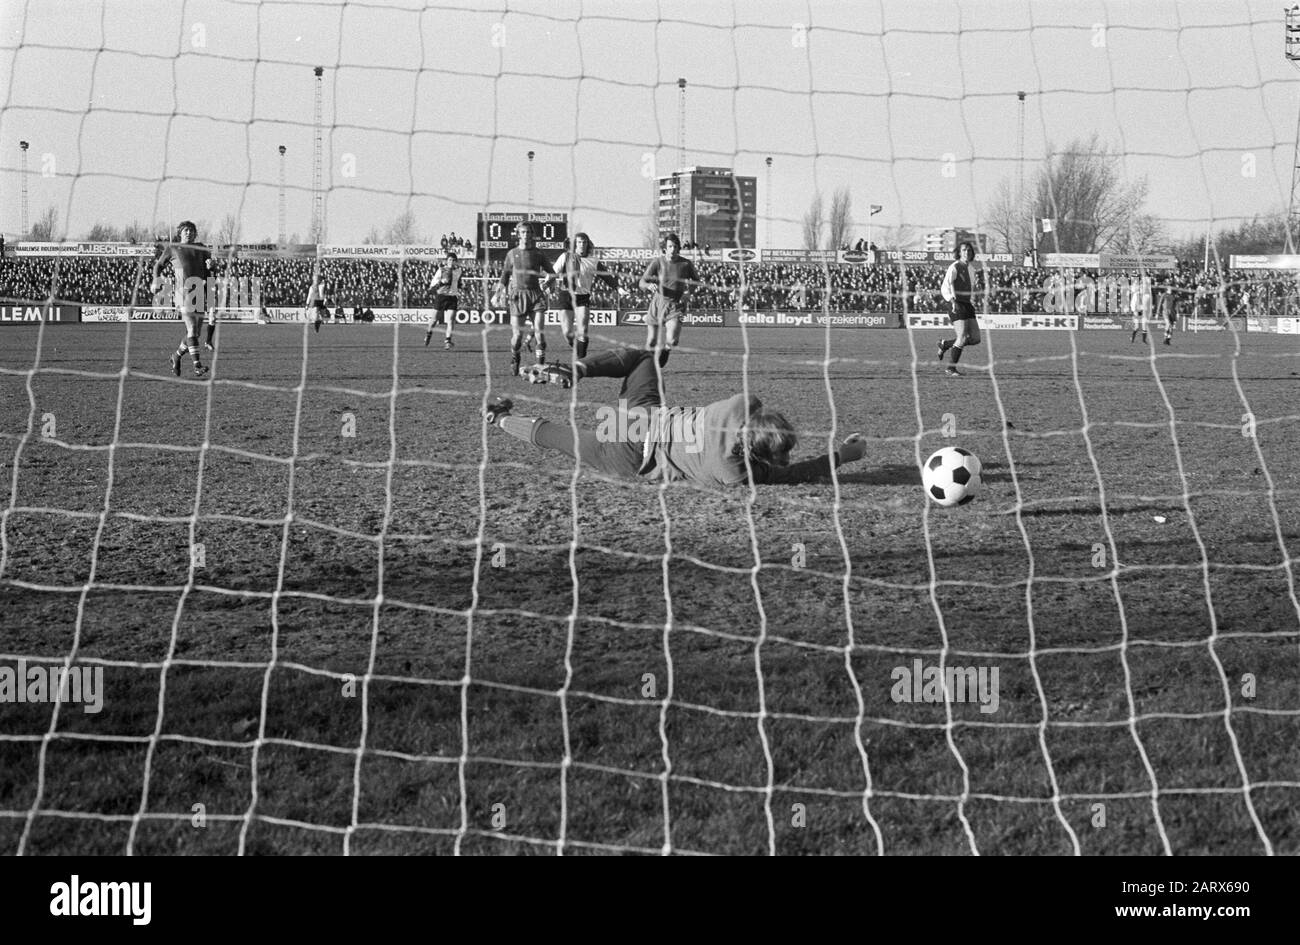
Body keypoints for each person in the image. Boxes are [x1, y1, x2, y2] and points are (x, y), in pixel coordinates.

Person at [491, 347, 868, 487]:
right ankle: (499, 421)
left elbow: (754, 402)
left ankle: (576, 368)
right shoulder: (734, 472)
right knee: (560, 438)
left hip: (642, 419)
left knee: (643, 358)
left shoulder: (739, 405)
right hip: (633, 458)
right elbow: (797, 474)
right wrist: (845, 455)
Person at [150, 220, 212, 379]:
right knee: (191, 329)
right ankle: (197, 366)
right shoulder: (172, 248)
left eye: (191, 230)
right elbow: (158, 266)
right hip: (182, 293)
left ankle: (176, 356)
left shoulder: (202, 248)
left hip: (199, 291)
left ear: (195, 233)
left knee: (195, 334)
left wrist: (212, 266)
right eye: (185, 230)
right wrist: (156, 279)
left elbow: (209, 272)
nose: (188, 233)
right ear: (180, 233)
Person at [493, 223, 554, 376]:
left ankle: (540, 366)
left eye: (528, 232)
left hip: (536, 295)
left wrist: (547, 284)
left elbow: (552, 274)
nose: (526, 235)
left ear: (532, 234)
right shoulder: (512, 253)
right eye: (523, 232)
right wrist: (498, 292)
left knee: (539, 332)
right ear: (518, 235)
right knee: (517, 336)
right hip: (517, 296)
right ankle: (515, 356)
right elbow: (505, 275)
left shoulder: (539, 253)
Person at [553, 232, 617, 359]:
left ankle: (581, 360)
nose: (582, 245)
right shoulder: (565, 257)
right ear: (574, 244)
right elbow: (553, 272)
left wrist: (618, 288)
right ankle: (577, 347)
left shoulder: (593, 261)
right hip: (566, 295)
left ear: (588, 244)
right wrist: (546, 281)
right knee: (567, 333)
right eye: (579, 242)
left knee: (583, 330)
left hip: (583, 297)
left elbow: (606, 276)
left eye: (584, 242)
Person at [638, 232, 699, 354]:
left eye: (676, 246)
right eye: (670, 246)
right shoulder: (658, 262)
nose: (673, 249)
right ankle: (647, 365)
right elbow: (642, 282)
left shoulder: (686, 264)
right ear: (665, 248)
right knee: (651, 341)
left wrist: (688, 293)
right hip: (658, 303)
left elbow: (696, 281)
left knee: (672, 341)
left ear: (679, 248)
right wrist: (648, 285)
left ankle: (664, 353)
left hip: (676, 305)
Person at [937, 241, 982, 376]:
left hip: (967, 304)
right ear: (959, 252)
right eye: (964, 250)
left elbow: (971, 288)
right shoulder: (954, 267)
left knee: (975, 338)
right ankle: (950, 368)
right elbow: (945, 286)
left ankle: (945, 344)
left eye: (969, 250)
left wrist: (975, 297)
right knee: (962, 337)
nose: (966, 252)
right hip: (956, 304)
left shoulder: (972, 269)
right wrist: (952, 300)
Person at [425, 249, 462, 349]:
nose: (451, 261)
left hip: (453, 297)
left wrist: (461, 287)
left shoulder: (458, 271)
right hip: (441, 296)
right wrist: (441, 282)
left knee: (450, 320)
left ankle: (448, 340)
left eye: (453, 260)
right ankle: (429, 334)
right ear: (447, 260)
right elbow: (432, 284)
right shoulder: (441, 270)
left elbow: (459, 283)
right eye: (449, 259)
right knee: (434, 320)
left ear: (456, 261)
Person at [1129, 276, 1151, 344]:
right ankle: (1132, 338)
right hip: (1136, 310)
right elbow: (1133, 304)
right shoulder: (1136, 294)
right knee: (1137, 327)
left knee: (1144, 325)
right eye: (1142, 286)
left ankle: (1144, 340)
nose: (1143, 288)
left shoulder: (1146, 294)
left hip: (1142, 310)